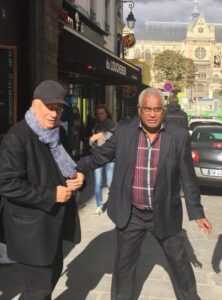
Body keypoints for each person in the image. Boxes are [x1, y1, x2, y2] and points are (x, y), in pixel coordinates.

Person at [77, 88, 212, 300]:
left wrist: (197, 212)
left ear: (163, 110)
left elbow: (188, 177)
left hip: (165, 212)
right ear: (139, 110)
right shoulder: (125, 132)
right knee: (124, 267)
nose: (152, 114)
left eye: (157, 109)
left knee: (180, 265)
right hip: (132, 215)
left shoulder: (177, 136)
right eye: (147, 109)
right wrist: (73, 169)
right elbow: (99, 157)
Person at [0, 80, 84, 300]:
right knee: (38, 290)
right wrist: (51, 194)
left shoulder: (58, 134)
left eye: (58, 108)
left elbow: (68, 167)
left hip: (54, 224)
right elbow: (7, 184)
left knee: (51, 278)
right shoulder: (16, 137)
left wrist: (78, 177)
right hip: (30, 229)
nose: (54, 113)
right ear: (35, 104)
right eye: (49, 107)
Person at [89, 104, 115, 215]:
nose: (100, 115)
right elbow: (91, 141)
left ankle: (113, 202)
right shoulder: (96, 125)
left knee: (110, 183)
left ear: (106, 113)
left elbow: (112, 135)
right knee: (98, 182)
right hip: (98, 157)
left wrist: (99, 135)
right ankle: (99, 205)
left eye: (102, 113)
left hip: (110, 157)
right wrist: (92, 142)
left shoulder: (111, 123)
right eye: (98, 113)